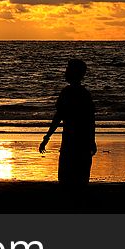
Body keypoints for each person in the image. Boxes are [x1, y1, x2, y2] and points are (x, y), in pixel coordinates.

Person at [39, 59, 96, 187]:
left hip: (71, 141)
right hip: (81, 142)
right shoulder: (84, 94)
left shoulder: (68, 93)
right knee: (80, 179)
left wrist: (47, 137)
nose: (65, 73)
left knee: (67, 179)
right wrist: (92, 141)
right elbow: (90, 121)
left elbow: (58, 116)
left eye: (68, 70)